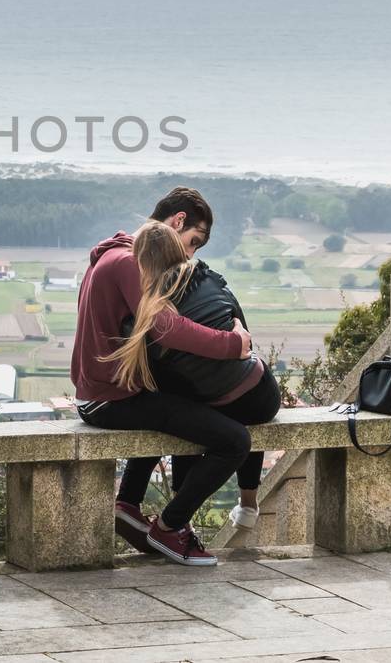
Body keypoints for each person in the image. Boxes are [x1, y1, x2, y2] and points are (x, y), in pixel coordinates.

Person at [71, 187, 252, 565]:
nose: (189, 255)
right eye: (193, 242)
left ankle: (128, 503)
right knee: (233, 441)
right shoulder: (127, 262)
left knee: (180, 402)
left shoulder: (111, 255)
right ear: (178, 220)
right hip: (111, 399)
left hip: (102, 393)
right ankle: (170, 529)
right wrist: (233, 345)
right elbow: (166, 328)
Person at [107, 221, 282, 542]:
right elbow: (241, 329)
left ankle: (175, 516)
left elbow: (154, 373)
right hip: (260, 392)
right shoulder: (209, 278)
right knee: (239, 414)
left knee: (184, 404)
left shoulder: (146, 313)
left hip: (211, 395)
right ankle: (248, 504)